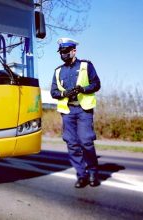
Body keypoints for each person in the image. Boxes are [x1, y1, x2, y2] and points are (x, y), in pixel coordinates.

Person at [50, 37, 101, 188]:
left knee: (86, 141)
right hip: (68, 111)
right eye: (61, 52)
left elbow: (96, 84)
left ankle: (92, 172)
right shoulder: (58, 71)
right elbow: (53, 91)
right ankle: (81, 175)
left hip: (83, 109)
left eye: (66, 51)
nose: (63, 55)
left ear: (74, 51)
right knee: (72, 144)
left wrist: (83, 89)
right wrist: (64, 94)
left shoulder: (86, 65)